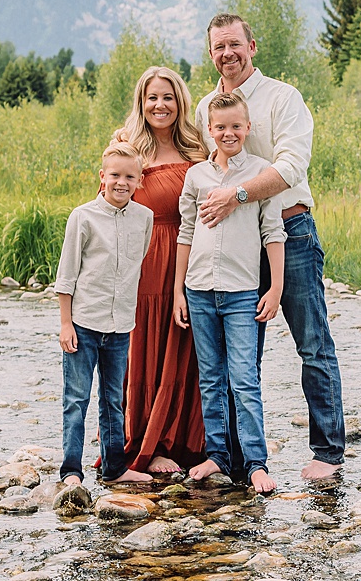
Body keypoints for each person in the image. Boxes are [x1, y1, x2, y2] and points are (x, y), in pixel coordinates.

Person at [195, 12, 345, 482]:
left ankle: (327, 450)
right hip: (236, 247)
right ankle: (240, 457)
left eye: (235, 44)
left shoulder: (284, 98)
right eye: (219, 47)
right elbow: (201, 166)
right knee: (241, 358)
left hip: (291, 233)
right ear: (211, 52)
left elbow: (291, 167)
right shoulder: (206, 108)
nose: (227, 54)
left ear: (252, 46)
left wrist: (239, 194)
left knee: (313, 345)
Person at [174, 89, 285, 494]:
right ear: (209, 130)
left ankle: (256, 462)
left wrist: (275, 289)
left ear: (248, 127)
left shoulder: (260, 173)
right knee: (210, 379)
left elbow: (274, 233)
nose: (228, 133)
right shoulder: (196, 176)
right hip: (199, 290)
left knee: (244, 379)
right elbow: (186, 233)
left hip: (241, 293)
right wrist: (177, 293)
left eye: (236, 126)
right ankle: (218, 456)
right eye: (220, 127)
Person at [111, 65, 209, 476]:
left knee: (185, 351)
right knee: (145, 348)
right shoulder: (126, 147)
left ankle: (186, 442)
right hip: (144, 259)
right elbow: (110, 203)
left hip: (189, 256)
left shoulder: (197, 150)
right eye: (152, 97)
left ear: (180, 101)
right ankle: (147, 445)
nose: (160, 104)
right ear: (141, 102)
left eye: (167, 97)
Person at [52, 140, 155, 503]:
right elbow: (66, 276)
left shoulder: (145, 218)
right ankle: (71, 471)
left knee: (114, 400)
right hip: (83, 323)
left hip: (121, 325)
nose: (121, 182)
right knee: (76, 399)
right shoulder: (82, 217)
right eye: (114, 175)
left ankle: (115, 467)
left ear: (139, 180)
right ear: (102, 177)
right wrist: (66, 324)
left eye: (129, 176)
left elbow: (136, 263)